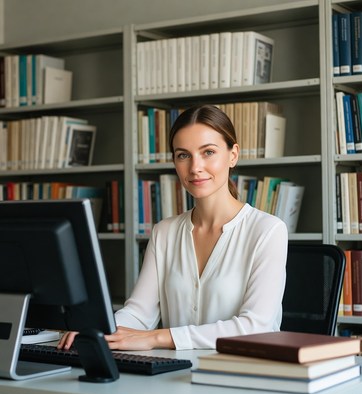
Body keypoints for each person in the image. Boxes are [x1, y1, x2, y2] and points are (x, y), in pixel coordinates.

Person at [58, 104, 288, 351]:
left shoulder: (267, 230)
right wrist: (98, 329)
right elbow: (138, 313)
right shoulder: (164, 232)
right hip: (175, 375)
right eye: (183, 155)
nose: (195, 167)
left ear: (233, 155)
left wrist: (158, 337)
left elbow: (256, 327)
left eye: (208, 152)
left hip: (241, 376)